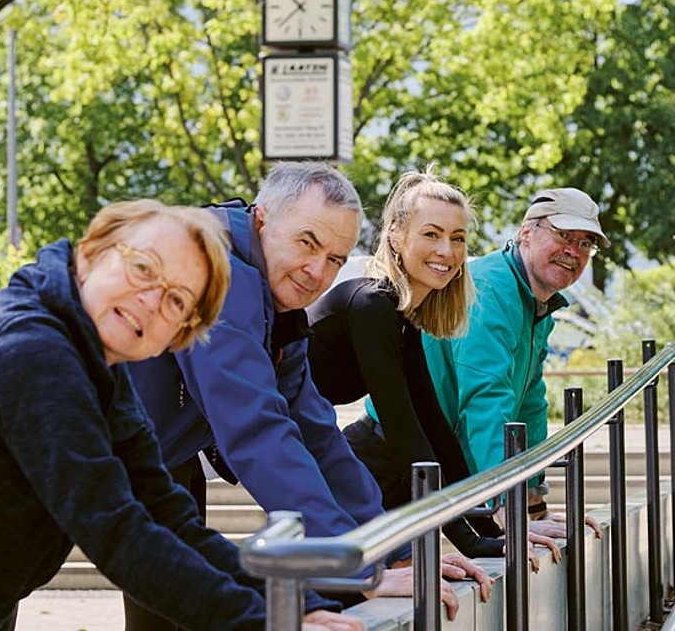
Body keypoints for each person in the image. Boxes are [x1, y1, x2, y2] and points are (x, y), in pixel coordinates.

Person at [127, 162, 491, 628]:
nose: (317, 271)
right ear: (262, 219)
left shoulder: (278, 303)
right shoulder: (218, 269)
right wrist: (357, 565)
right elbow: (258, 432)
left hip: (136, 455)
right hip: (43, 435)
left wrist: (390, 548)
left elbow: (318, 433)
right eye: (307, 243)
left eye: (337, 259)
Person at [0, 199, 361, 631]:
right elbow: (115, 530)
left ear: (176, 338)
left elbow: (167, 517)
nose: (150, 300)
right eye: (143, 268)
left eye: (176, 302)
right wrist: (264, 622)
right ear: (93, 250)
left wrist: (296, 606)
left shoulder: (103, 368)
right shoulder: (34, 348)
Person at [307, 166, 505, 561]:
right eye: (431, 234)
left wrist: (489, 529)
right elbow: (404, 432)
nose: (446, 252)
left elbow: (433, 425)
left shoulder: (400, 315)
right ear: (396, 236)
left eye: (458, 238)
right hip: (233, 430)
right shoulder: (370, 305)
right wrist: (466, 540)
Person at [422, 187, 608, 537]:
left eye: (585, 244)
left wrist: (534, 507)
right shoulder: (490, 290)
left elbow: (529, 406)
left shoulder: (537, 303)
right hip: (402, 459)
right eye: (563, 235)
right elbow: (484, 401)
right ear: (526, 233)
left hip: (445, 460)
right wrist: (510, 507)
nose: (573, 251)